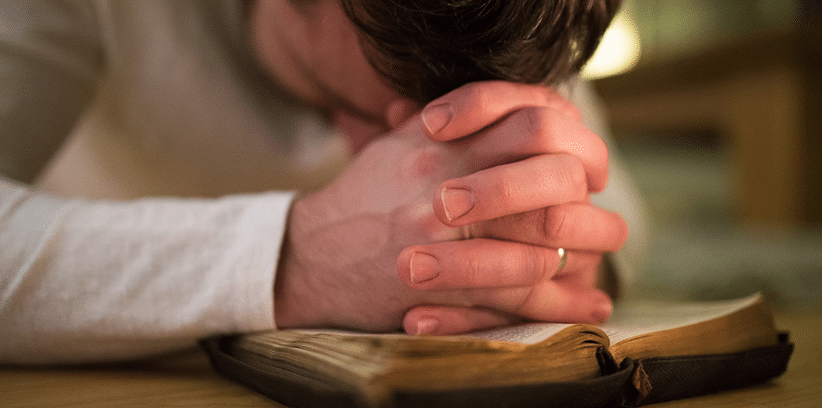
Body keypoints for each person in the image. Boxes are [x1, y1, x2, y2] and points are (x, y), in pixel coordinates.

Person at [0, 0, 645, 364]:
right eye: (388, 112)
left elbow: (617, 209)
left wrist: (549, 250)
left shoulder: (514, 20)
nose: (423, 145)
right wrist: (294, 262)